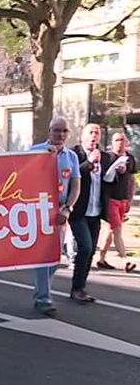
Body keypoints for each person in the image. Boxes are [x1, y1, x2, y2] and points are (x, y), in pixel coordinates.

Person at [29, 116, 80, 315]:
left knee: (55, 258)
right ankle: (43, 297)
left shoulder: (72, 157)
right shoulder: (35, 152)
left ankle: (41, 291)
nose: (60, 135)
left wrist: (67, 208)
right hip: (39, 208)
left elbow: (75, 186)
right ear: (49, 131)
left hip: (60, 210)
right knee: (44, 256)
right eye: (56, 130)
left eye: (64, 131)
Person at [69, 124, 111, 302]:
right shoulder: (74, 154)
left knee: (91, 250)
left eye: (97, 133)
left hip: (96, 211)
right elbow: (71, 175)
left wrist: (117, 173)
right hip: (78, 211)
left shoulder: (105, 157)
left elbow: (108, 180)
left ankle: (80, 288)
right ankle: (76, 288)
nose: (94, 136)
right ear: (82, 136)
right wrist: (89, 163)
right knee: (85, 248)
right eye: (91, 133)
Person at [97, 132, 137, 273]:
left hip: (123, 199)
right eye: (116, 140)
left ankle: (101, 258)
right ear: (112, 143)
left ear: (126, 142)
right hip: (110, 199)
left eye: (122, 140)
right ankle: (126, 260)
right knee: (117, 229)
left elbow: (132, 180)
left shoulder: (130, 158)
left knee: (110, 230)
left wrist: (130, 199)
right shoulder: (107, 157)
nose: (119, 142)